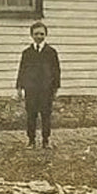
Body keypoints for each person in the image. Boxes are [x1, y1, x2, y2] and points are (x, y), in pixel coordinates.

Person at [15, 20, 61, 149]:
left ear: (46, 35)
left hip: (46, 90)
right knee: (31, 115)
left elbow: (56, 71)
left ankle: (46, 141)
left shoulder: (51, 52)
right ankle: (31, 141)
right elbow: (22, 70)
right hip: (31, 90)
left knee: (46, 115)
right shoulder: (27, 53)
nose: (39, 37)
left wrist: (56, 88)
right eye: (36, 34)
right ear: (32, 35)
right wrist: (19, 87)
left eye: (41, 34)